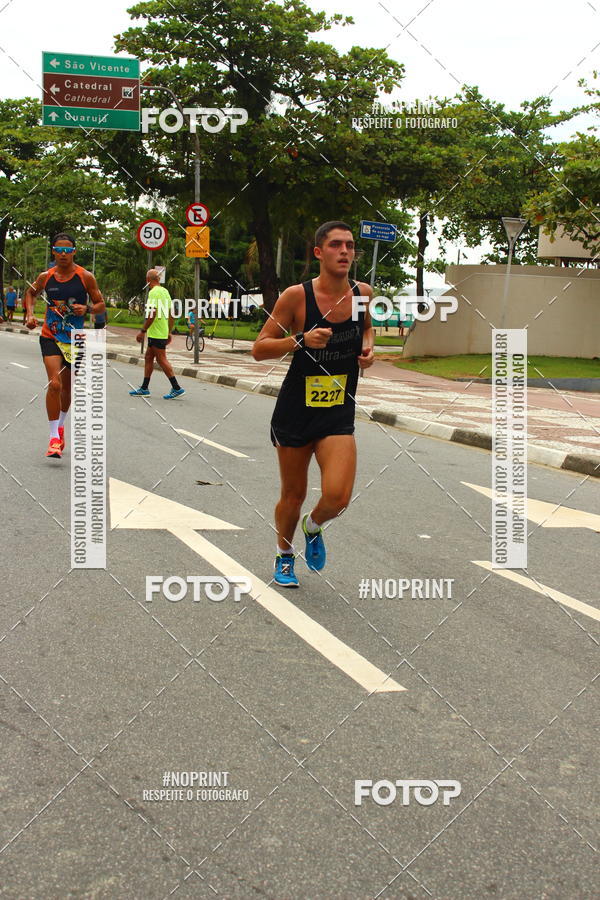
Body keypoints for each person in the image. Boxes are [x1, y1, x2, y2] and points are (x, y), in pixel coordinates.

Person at [252, 221, 374, 588]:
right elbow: (259, 348)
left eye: (350, 246)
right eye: (336, 245)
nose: (345, 252)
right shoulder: (295, 296)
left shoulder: (362, 293)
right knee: (294, 494)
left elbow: (365, 326)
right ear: (319, 253)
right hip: (295, 411)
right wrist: (301, 339)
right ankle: (284, 555)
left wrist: (368, 347)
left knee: (338, 496)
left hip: (338, 409)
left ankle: (314, 525)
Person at [24, 233, 106, 459]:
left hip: (76, 339)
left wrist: (87, 309)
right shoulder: (46, 277)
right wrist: (30, 314)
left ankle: (61, 426)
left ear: (74, 252)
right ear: (53, 251)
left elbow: (100, 304)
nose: (63, 254)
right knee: (55, 385)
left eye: (67, 251)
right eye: (59, 250)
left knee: (67, 390)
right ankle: (53, 438)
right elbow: (30, 293)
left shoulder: (85, 277)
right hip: (50, 336)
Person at [129, 269, 185, 399]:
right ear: (158, 279)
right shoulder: (165, 292)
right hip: (161, 331)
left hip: (156, 332)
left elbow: (152, 313)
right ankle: (144, 388)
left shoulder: (153, 293)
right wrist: (169, 331)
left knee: (161, 359)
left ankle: (176, 387)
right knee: (149, 357)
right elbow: (171, 314)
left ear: (148, 280)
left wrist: (142, 331)